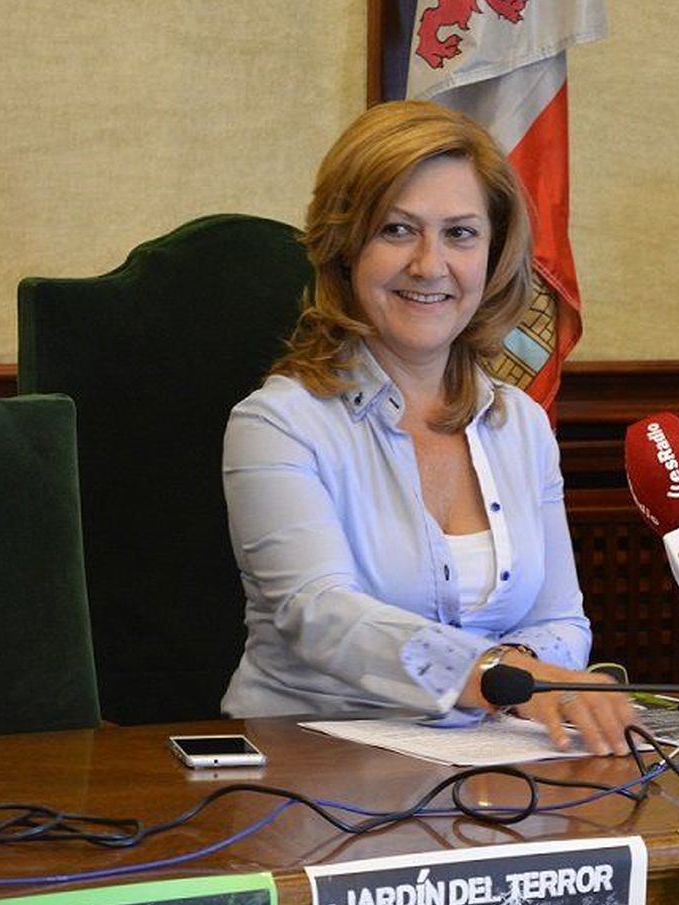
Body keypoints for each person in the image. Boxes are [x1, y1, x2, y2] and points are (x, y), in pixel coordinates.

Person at [220, 100, 633, 754]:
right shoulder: (278, 423)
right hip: (309, 771)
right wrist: (500, 675)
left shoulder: (521, 425)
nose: (429, 264)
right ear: (345, 244)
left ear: (494, 253)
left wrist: (524, 670)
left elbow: (559, 618)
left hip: (493, 766)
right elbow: (321, 614)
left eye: (460, 234)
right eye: (397, 229)